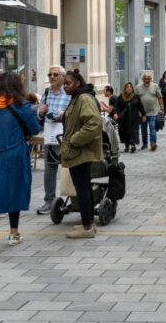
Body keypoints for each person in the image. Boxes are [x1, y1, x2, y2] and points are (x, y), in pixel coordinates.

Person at [0, 72, 40, 246]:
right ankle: (14, 234)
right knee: (15, 189)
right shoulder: (22, 105)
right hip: (15, 152)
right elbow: (34, 129)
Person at [60, 70, 103, 239]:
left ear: (77, 83)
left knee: (82, 188)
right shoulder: (77, 98)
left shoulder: (83, 98)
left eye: (67, 83)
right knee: (83, 187)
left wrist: (74, 140)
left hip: (80, 151)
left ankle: (87, 227)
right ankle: (88, 223)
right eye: (64, 84)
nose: (65, 87)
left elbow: (93, 124)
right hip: (78, 151)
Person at [35, 65, 71, 215]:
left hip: (66, 137)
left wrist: (64, 115)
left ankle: (72, 199)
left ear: (62, 77)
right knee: (49, 170)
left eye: (55, 74)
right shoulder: (46, 92)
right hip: (50, 137)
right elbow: (39, 115)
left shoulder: (68, 93)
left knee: (69, 168)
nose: (52, 77)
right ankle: (49, 201)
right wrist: (40, 112)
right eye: (50, 74)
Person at [135, 73, 164, 151]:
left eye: (148, 79)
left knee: (152, 127)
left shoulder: (155, 86)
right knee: (143, 129)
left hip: (153, 112)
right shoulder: (138, 87)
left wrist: (161, 108)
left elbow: (160, 97)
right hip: (142, 113)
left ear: (151, 79)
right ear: (142, 79)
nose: (147, 80)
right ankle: (144, 144)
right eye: (145, 79)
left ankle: (153, 143)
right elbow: (135, 100)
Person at [114, 82, 145, 153]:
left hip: (134, 118)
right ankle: (127, 146)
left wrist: (143, 115)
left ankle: (133, 145)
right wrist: (115, 113)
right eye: (127, 87)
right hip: (124, 119)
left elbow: (141, 107)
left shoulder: (136, 97)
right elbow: (116, 106)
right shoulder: (121, 97)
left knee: (134, 132)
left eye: (130, 87)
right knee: (125, 132)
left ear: (132, 88)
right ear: (125, 88)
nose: (129, 88)